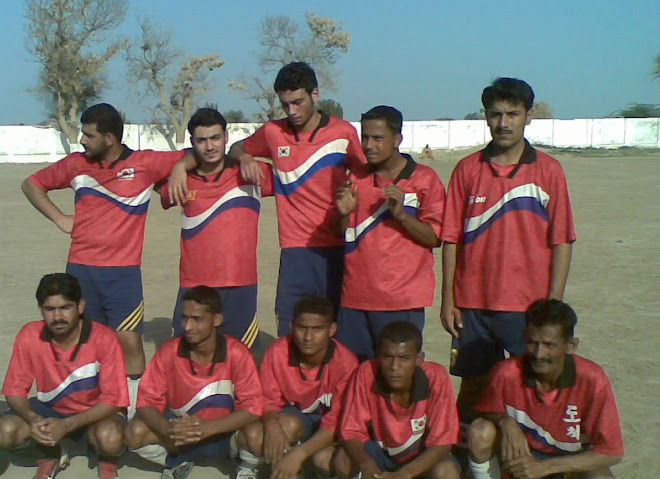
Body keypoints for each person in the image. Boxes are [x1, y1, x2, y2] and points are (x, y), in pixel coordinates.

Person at [22, 103, 187, 416]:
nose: (82, 140)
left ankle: (134, 413)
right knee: (84, 344)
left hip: (123, 275)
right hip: (81, 272)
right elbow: (31, 184)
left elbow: (190, 155)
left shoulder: (145, 163)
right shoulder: (75, 164)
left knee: (130, 344)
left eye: (88, 135)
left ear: (110, 138)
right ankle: (88, 411)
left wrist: (178, 168)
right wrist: (59, 218)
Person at [440, 78, 576, 423]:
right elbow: (451, 238)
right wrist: (448, 298)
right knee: (473, 387)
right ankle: (465, 466)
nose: (503, 123)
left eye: (512, 114)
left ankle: (529, 466)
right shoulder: (467, 170)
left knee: (531, 387)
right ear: (485, 116)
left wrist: (552, 305)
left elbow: (561, 240)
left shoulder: (548, 171)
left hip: (526, 306)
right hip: (472, 305)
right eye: (495, 114)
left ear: (528, 115)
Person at [212, 62, 365, 336]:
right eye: (285, 104)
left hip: (339, 245)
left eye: (298, 102)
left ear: (315, 94)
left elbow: (367, 176)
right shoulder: (273, 132)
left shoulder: (343, 133)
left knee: (338, 329)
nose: (292, 111)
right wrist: (246, 157)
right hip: (295, 249)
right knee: (290, 326)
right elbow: (236, 148)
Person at [459, 300, 623, 479]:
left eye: (549, 345)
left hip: (566, 466)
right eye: (532, 342)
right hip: (520, 463)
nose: (538, 353)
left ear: (571, 346)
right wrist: (505, 422)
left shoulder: (592, 379)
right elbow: (486, 410)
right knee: (479, 431)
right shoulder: (506, 372)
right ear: (524, 337)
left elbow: (611, 452)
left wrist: (546, 467)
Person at [124, 286, 262, 479]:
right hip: (181, 434)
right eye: (184, 318)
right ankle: (177, 462)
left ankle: (245, 470)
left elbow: (253, 408)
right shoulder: (169, 351)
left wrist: (208, 429)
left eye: (197, 319)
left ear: (216, 320)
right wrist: (166, 429)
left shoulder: (237, 353)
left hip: (225, 433)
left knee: (257, 434)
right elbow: (145, 402)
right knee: (134, 431)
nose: (188, 326)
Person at [0, 273, 128, 479]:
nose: (58, 316)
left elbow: (114, 400)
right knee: (5, 431)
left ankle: (106, 461)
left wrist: (67, 426)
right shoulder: (29, 335)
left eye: (65, 307)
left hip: (95, 413)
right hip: (49, 410)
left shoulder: (104, 338)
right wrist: (34, 419)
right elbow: (14, 391)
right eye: (50, 309)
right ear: (40, 308)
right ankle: (51, 455)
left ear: (80, 306)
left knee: (111, 438)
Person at [333, 106, 445, 360]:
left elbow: (435, 238)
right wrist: (343, 213)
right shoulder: (355, 178)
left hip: (401, 301)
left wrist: (402, 216)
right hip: (354, 299)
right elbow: (342, 235)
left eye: (378, 138)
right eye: (365, 137)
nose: (369, 145)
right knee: (352, 377)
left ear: (397, 140)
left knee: (396, 380)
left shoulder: (424, 179)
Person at [160, 108, 272, 348]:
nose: (210, 147)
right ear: (192, 143)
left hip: (240, 284)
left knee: (242, 359)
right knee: (187, 359)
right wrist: (180, 166)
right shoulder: (181, 179)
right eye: (202, 140)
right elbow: (152, 175)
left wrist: (245, 156)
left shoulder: (250, 173)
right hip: (194, 285)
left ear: (226, 138)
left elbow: (294, 171)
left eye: (215, 138)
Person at [233, 296, 358, 479]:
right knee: (260, 433)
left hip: (326, 431)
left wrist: (299, 454)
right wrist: (272, 426)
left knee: (325, 459)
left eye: (318, 329)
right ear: (292, 326)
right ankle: (252, 469)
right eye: (301, 328)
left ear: (332, 329)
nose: (308, 337)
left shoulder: (346, 363)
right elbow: (268, 400)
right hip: (292, 422)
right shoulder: (278, 351)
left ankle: (312, 470)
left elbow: (338, 421)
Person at [335, 321, 461, 479]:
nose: (395, 367)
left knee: (447, 475)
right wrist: (367, 466)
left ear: (419, 359)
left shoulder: (435, 377)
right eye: (388, 357)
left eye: (404, 359)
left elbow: (443, 442)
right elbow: (350, 431)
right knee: (342, 460)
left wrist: (403, 476)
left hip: (418, 457)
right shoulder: (367, 372)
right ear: (378, 356)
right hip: (382, 454)